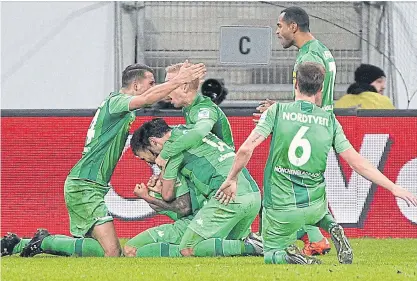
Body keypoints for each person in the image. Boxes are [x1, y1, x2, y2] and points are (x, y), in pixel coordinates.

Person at [216, 62, 417, 265]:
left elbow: (245, 149)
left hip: (281, 206)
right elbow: (357, 162)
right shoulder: (329, 120)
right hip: (316, 206)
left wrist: (232, 178)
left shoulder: (276, 111)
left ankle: (292, 256)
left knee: (270, 254)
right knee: (319, 211)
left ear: (295, 84)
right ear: (321, 89)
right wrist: (393, 187)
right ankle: (332, 227)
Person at [1, 62, 206, 258]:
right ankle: (45, 242)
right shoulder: (116, 102)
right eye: (151, 83)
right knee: (112, 253)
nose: (155, 87)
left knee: (101, 250)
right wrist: (178, 81)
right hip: (84, 186)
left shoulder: (119, 108)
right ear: (136, 85)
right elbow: (146, 100)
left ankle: (23, 243)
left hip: (89, 185)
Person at [254, 6, 336, 255]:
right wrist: (280, 106)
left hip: (308, 127)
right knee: (304, 189)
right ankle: (318, 236)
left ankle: (311, 235)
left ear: (293, 26)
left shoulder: (306, 58)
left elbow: (314, 97)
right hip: (322, 126)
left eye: (279, 26)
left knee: (282, 186)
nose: (277, 32)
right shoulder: (321, 49)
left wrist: (286, 113)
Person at [131, 118, 263, 257]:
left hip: (228, 196)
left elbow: (169, 196)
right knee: (225, 249)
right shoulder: (189, 131)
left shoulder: (172, 148)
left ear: (153, 142)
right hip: (253, 194)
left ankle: (254, 246)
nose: (150, 162)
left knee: (188, 248)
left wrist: (152, 193)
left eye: (146, 157)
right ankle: (252, 246)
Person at [154, 63, 234, 170]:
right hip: (211, 165)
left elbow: (199, 132)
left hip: (222, 169)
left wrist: (166, 153)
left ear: (185, 86)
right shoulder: (188, 107)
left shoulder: (205, 109)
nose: (167, 89)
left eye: (171, 84)